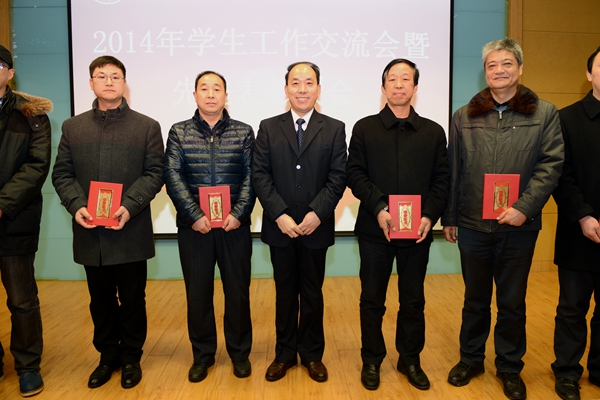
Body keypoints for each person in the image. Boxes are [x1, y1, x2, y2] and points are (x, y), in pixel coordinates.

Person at [442, 38, 564, 400]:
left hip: (519, 226)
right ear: (485, 71)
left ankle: (509, 367)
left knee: (512, 301)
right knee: (474, 299)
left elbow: (551, 165)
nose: (499, 70)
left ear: (520, 68)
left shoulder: (544, 113)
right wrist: (451, 216)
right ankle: (471, 359)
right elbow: (454, 170)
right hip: (472, 225)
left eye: (507, 64)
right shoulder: (464, 115)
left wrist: (524, 207)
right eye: (492, 65)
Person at [52, 55, 164, 390]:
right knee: (99, 301)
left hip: (130, 228)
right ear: (91, 83)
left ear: (124, 83)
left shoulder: (146, 126)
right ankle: (107, 357)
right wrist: (76, 205)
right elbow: (62, 174)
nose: (109, 81)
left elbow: (154, 173)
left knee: (132, 300)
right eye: (102, 76)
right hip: (91, 232)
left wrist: (129, 206)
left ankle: (131, 357)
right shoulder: (73, 127)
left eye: (115, 76)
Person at [346, 58, 449, 391]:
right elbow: (354, 174)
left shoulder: (433, 132)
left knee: (413, 300)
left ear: (415, 87)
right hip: (375, 231)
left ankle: (410, 359)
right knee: (372, 300)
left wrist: (429, 215)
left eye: (406, 79)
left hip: (417, 233)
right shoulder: (364, 128)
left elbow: (442, 180)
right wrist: (378, 207)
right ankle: (372, 360)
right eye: (393, 79)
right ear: (383, 87)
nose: (399, 84)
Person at [252, 62, 347, 383]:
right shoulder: (268, 127)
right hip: (279, 227)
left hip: (315, 227)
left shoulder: (334, 128)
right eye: (295, 83)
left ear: (318, 89)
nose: (302, 89)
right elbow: (260, 174)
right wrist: (278, 214)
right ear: (286, 89)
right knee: (283, 293)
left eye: (308, 83)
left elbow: (338, 176)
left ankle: (311, 355)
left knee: (312, 293)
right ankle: (283, 354)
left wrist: (317, 213)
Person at [164, 71, 255, 382]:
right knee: (198, 294)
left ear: (226, 96)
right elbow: (172, 175)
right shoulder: (179, 132)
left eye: (217, 89)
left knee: (238, 293)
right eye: (204, 88)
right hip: (194, 229)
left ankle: (239, 353)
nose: (211, 94)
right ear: (194, 95)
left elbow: (251, 176)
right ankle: (202, 355)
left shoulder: (244, 132)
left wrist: (239, 213)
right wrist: (193, 215)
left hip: (234, 227)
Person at [0, 44, 51, 397]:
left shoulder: (31, 114)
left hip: (15, 219)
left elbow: (37, 165)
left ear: (10, 73)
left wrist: (2, 203)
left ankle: (28, 366)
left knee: (21, 299)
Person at [551, 46, 600, 400]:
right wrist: (583, 215)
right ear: (588, 74)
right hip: (578, 231)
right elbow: (559, 174)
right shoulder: (566, 119)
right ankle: (567, 372)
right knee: (572, 309)